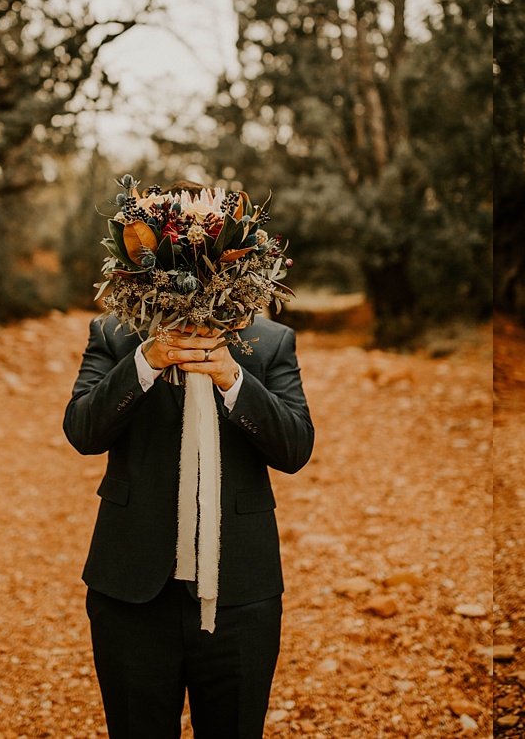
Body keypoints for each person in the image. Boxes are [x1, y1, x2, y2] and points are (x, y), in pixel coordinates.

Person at [64, 239, 314, 738]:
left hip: (241, 593)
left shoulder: (269, 342)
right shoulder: (113, 336)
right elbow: (83, 431)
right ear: (142, 266)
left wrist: (233, 377)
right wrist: (145, 362)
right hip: (131, 592)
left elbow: (295, 449)